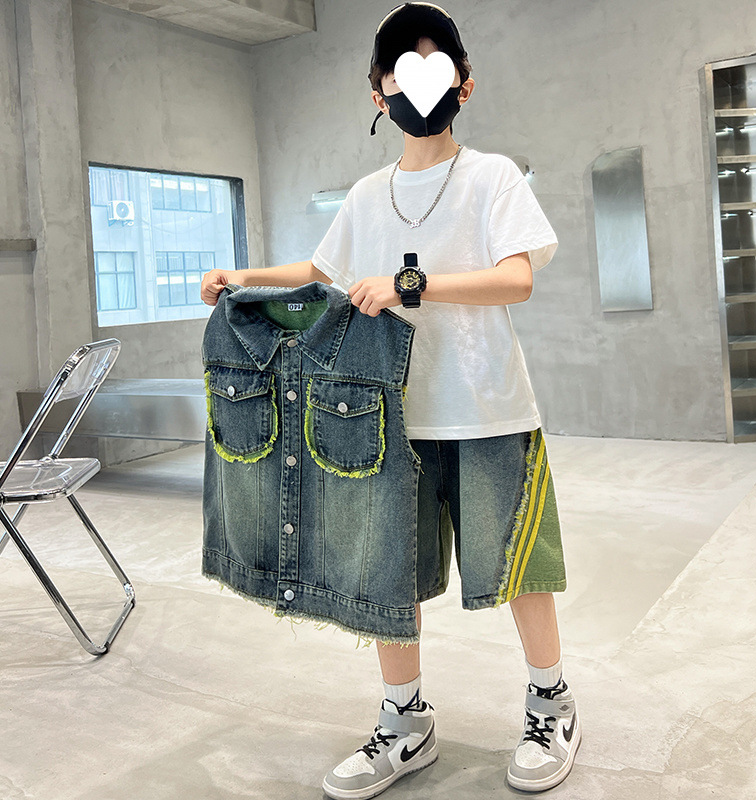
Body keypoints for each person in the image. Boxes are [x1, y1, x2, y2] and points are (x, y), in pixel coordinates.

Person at [200, 3, 581, 797]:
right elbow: (320, 272)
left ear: (464, 84)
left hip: (487, 406)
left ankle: (552, 704)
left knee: (517, 566)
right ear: (378, 93)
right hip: (385, 414)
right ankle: (406, 721)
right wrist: (242, 276)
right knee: (384, 575)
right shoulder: (369, 194)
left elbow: (517, 278)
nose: (418, 88)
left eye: (436, 69)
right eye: (400, 74)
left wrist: (411, 284)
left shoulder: (491, 176)